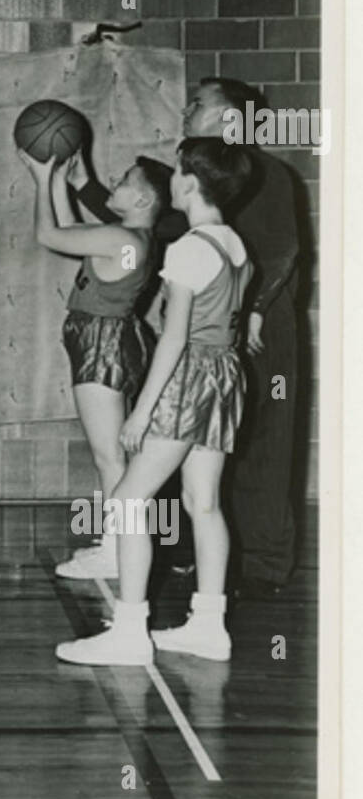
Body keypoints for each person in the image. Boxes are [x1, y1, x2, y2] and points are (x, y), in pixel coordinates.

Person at [76, 78, 303, 596]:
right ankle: (203, 585)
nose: (185, 109)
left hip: (252, 329)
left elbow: (284, 249)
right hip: (221, 335)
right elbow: (154, 223)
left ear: (230, 118)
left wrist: (253, 310)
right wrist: (86, 184)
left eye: (198, 104)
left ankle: (262, 565)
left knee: (260, 448)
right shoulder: (213, 194)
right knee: (206, 480)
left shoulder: (266, 173)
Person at [56, 139, 253, 666]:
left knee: (125, 501)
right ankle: (209, 626)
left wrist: (142, 411)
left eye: (179, 171)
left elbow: (173, 337)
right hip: (227, 376)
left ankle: (128, 631)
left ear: (188, 183)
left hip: (187, 378)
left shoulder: (189, 248)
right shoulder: (234, 243)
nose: (173, 178)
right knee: (203, 503)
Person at [19, 149, 170, 580]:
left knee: (110, 459)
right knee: (112, 457)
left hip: (101, 342)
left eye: (125, 180)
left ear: (143, 200)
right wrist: (64, 185)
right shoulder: (129, 236)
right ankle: (113, 545)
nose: (115, 184)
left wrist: (42, 178)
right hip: (109, 338)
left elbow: (49, 236)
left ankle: (115, 553)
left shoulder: (122, 240)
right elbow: (71, 231)